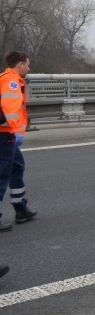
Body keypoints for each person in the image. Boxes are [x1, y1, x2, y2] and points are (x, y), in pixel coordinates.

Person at [0, 51, 35, 232]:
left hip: (7, 135)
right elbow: (10, 109)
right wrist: (15, 132)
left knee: (16, 167)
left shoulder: (8, 79)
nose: (29, 68)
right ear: (20, 64)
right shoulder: (11, 81)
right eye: (27, 64)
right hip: (5, 135)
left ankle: (20, 208)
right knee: (2, 174)